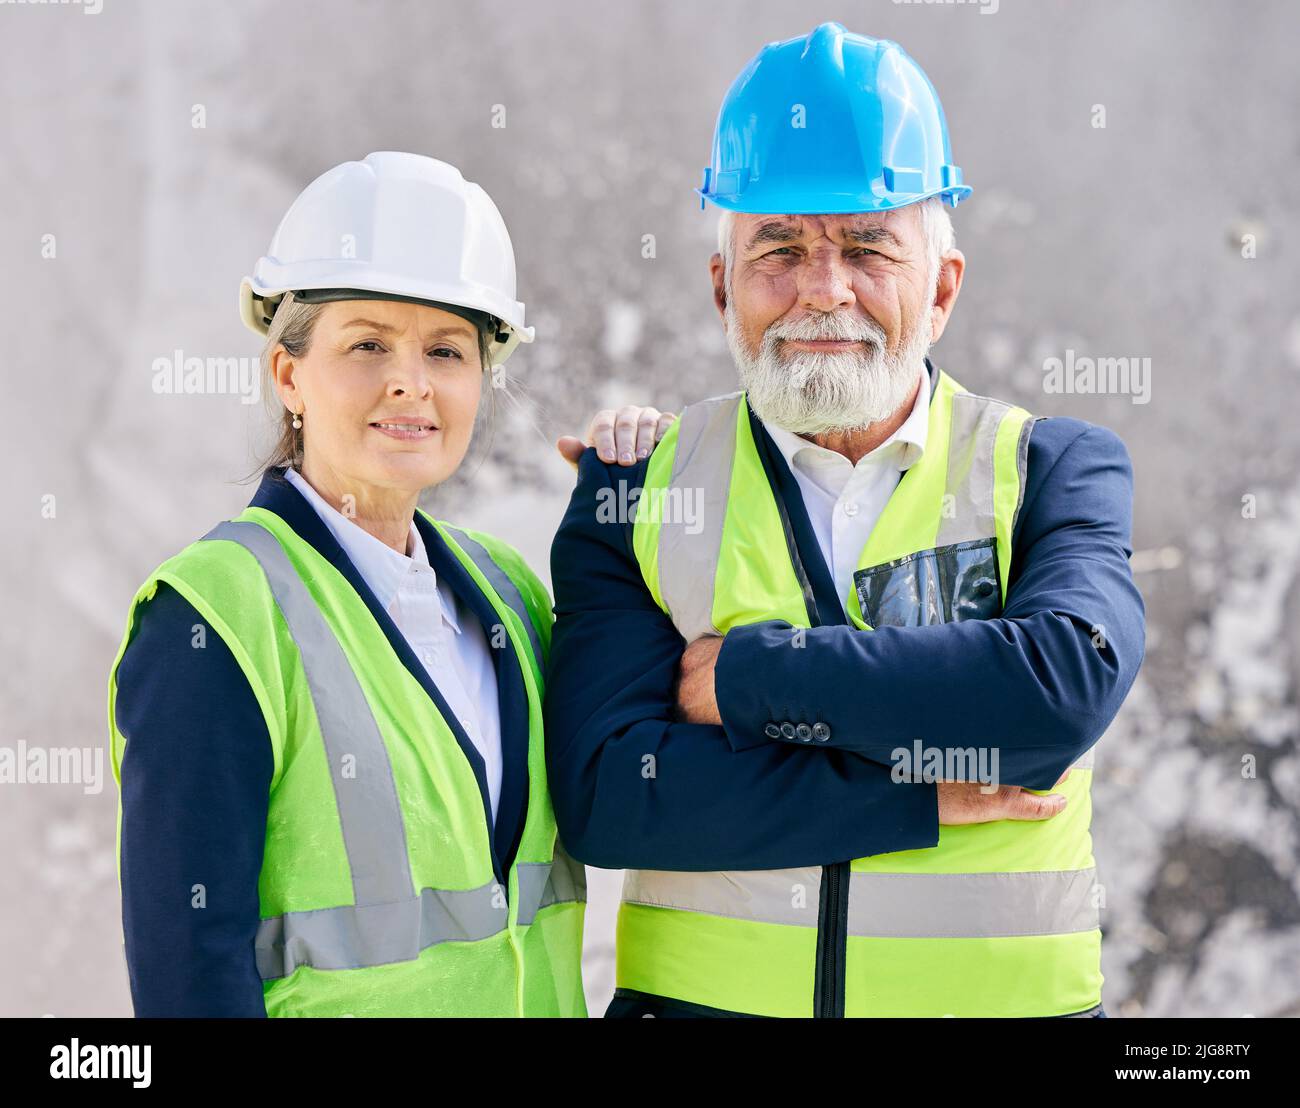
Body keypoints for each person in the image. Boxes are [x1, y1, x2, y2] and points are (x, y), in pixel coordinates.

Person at [544, 24, 1145, 1017]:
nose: (822, 288)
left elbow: (1050, 697)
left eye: (867, 247)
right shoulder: (635, 486)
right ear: (719, 287)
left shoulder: (1050, 468)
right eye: (777, 247)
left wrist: (747, 678)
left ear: (941, 288)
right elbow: (613, 795)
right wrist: (910, 792)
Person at [107, 152, 672, 1017]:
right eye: (367, 343)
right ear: (289, 375)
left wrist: (647, 508)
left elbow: (641, 762)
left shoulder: (509, 594)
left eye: (447, 350)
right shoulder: (216, 616)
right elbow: (187, 971)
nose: (410, 380)